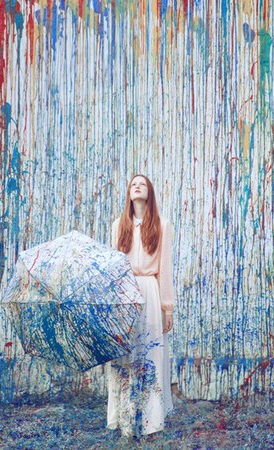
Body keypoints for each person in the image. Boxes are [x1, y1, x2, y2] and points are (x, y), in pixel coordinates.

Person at [106, 174, 174, 437]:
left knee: (150, 354)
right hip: (125, 293)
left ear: (149, 192)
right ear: (128, 193)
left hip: (150, 291)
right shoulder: (118, 225)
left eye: (142, 184)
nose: (137, 186)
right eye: (133, 184)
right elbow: (114, 268)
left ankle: (150, 420)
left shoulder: (162, 225)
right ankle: (125, 417)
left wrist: (167, 308)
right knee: (124, 355)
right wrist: (113, 304)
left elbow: (165, 269)